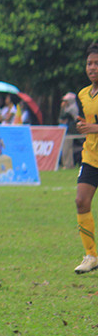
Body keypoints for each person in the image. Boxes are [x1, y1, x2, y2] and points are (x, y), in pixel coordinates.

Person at [73, 43, 98, 274]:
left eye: (96, 63)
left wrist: (94, 127)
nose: (92, 67)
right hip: (91, 157)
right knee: (81, 201)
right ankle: (91, 255)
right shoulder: (83, 94)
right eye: (89, 63)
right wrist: (84, 126)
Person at [59, 91, 79, 168]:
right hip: (68, 129)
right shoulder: (71, 107)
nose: (64, 102)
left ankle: (67, 164)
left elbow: (62, 117)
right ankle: (69, 164)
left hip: (70, 130)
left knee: (66, 147)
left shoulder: (71, 108)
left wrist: (62, 108)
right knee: (68, 148)